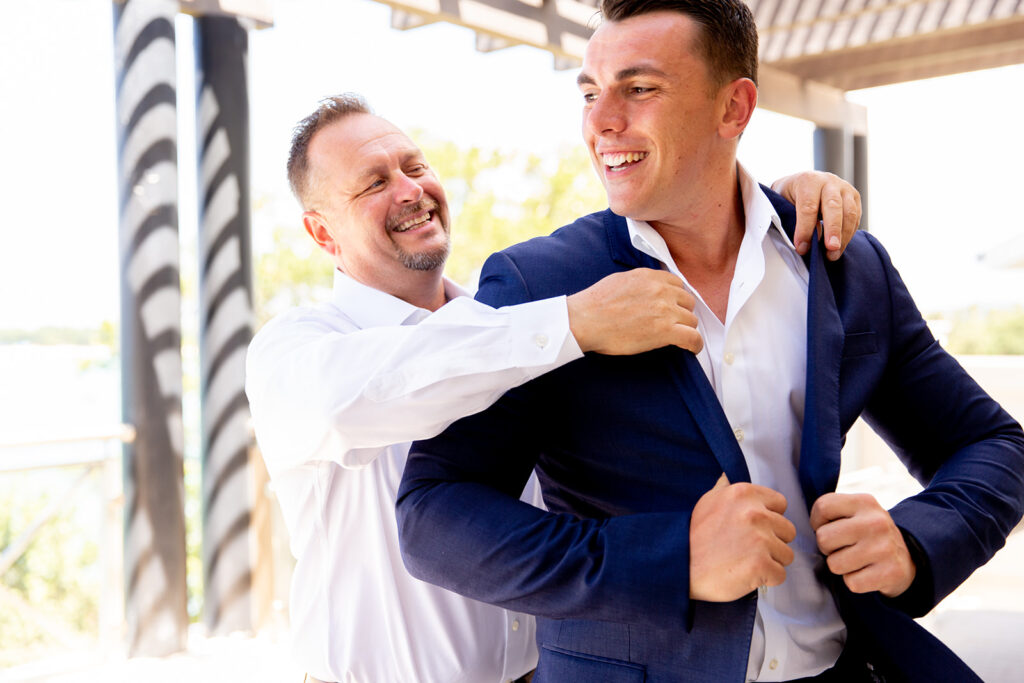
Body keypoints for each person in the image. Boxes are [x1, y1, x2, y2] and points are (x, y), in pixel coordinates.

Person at [395, 1, 1024, 681]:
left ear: (735, 109)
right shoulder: (541, 284)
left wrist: (915, 540)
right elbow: (433, 517)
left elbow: (994, 446)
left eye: (639, 89)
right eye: (589, 91)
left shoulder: (843, 267)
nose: (601, 120)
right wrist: (673, 556)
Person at [245, 91, 863, 683]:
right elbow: (362, 393)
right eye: (375, 183)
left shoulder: (508, 317)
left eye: (414, 166)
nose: (411, 190)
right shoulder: (296, 350)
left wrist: (764, 211)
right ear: (323, 233)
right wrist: (570, 323)